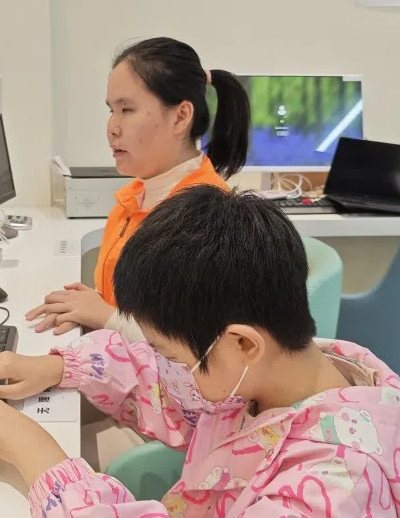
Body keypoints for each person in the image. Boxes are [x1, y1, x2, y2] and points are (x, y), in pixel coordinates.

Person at [0, 185, 400, 518]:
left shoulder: (336, 493)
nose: (166, 367)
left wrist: (42, 459)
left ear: (242, 344)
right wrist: (64, 368)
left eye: (172, 353)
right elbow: (175, 389)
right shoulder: (293, 372)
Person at [26, 37, 250, 342]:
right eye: (111, 110)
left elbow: (195, 351)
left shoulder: (205, 219)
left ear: (181, 116)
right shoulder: (135, 198)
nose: (112, 127)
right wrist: (88, 308)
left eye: (127, 110)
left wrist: (106, 318)